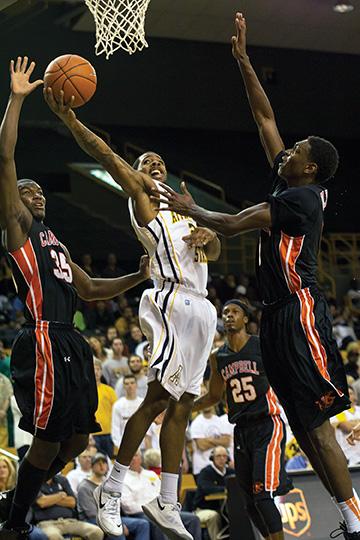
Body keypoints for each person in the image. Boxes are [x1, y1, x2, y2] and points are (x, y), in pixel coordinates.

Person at [149, 12, 360, 538]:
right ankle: (348, 516)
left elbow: (233, 223)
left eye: (297, 152)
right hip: (278, 316)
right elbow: (266, 121)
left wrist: (187, 208)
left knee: (315, 424)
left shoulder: (300, 199)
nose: (287, 151)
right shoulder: (291, 178)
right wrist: (244, 61)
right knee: (304, 428)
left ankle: (355, 517)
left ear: (308, 168)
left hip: (301, 312)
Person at [45, 85, 223, 540]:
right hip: (171, 301)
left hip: (203, 310)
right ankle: (113, 487)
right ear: (138, 176)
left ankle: (166, 500)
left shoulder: (183, 211)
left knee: (182, 405)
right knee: (157, 399)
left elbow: (215, 251)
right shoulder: (144, 200)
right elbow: (106, 154)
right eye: (146, 163)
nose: (154, 165)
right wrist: (71, 121)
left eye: (158, 161)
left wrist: (209, 238)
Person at [0, 56, 150, 540]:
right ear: (15, 201)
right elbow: (5, 160)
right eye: (29, 191)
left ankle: (17, 497)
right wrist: (18, 99)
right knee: (46, 441)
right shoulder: (19, 229)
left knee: (79, 439)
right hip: (43, 339)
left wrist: (137, 276)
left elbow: (88, 289)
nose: (37, 195)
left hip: (72, 345)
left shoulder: (55, 243)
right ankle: (17, 517)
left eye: (41, 192)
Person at [193, 300, 291, 539]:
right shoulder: (218, 356)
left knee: (262, 495)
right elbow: (214, 396)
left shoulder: (262, 345)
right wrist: (184, 407)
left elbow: (286, 375)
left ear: (246, 319)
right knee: (249, 502)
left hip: (268, 423)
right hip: (241, 429)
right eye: (225, 312)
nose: (229, 316)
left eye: (235, 312)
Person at [120, 451, 201, 540]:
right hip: (141, 513)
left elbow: (163, 494)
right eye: (130, 456)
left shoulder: (151, 474)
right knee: (159, 522)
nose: (133, 459)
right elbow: (127, 506)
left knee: (193, 519)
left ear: (140, 458)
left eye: (135, 455)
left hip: (162, 511)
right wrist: (150, 509)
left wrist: (161, 509)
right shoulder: (123, 478)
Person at [77, 453, 150, 540]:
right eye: (98, 463)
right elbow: (92, 514)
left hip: (111, 518)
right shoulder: (84, 487)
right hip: (92, 520)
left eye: (104, 463)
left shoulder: (109, 484)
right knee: (117, 531)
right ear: (92, 467)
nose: (102, 466)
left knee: (143, 524)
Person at [32, 474, 103, 539]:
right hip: (47, 523)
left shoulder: (62, 479)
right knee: (54, 536)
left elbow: (72, 502)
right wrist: (61, 495)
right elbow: (42, 502)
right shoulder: (35, 481)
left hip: (70, 521)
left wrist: (50, 499)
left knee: (97, 532)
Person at [192, 446, 233, 540]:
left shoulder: (231, 472)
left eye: (224, 456)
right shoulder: (205, 472)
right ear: (212, 458)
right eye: (218, 456)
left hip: (223, 508)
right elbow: (207, 489)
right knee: (213, 516)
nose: (222, 459)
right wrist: (226, 489)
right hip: (202, 509)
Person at [93, 359, 118, 458]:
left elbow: (115, 411)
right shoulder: (84, 390)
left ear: (101, 371)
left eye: (98, 369)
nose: (96, 372)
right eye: (93, 369)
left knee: (109, 459)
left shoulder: (109, 390)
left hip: (108, 432)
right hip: (92, 433)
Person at [111, 374, 144, 449]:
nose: (130, 386)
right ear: (123, 386)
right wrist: (120, 446)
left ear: (136, 385)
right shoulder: (118, 405)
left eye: (132, 383)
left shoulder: (143, 404)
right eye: (127, 384)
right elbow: (115, 428)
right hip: (125, 446)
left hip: (142, 445)